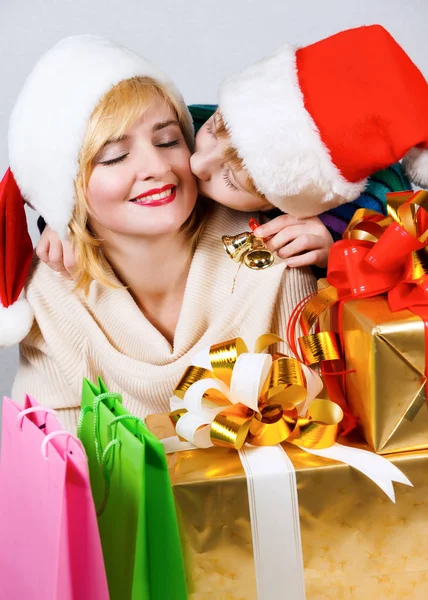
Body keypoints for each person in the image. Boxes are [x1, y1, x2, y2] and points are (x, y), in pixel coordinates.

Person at [1, 35, 316, 432]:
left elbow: (326, 436)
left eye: (168, 140)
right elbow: (51, 458)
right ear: (65, 188)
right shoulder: (51, 297)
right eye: (115, 155)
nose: (156, 165)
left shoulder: (275, 254)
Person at [190, 25, 428, 220]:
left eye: (230, 180)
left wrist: (332, 237)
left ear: (278, 204)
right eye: (211, 129)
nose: (196, 163)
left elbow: (399, 208)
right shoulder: (191, 121)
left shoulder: (348, 207)